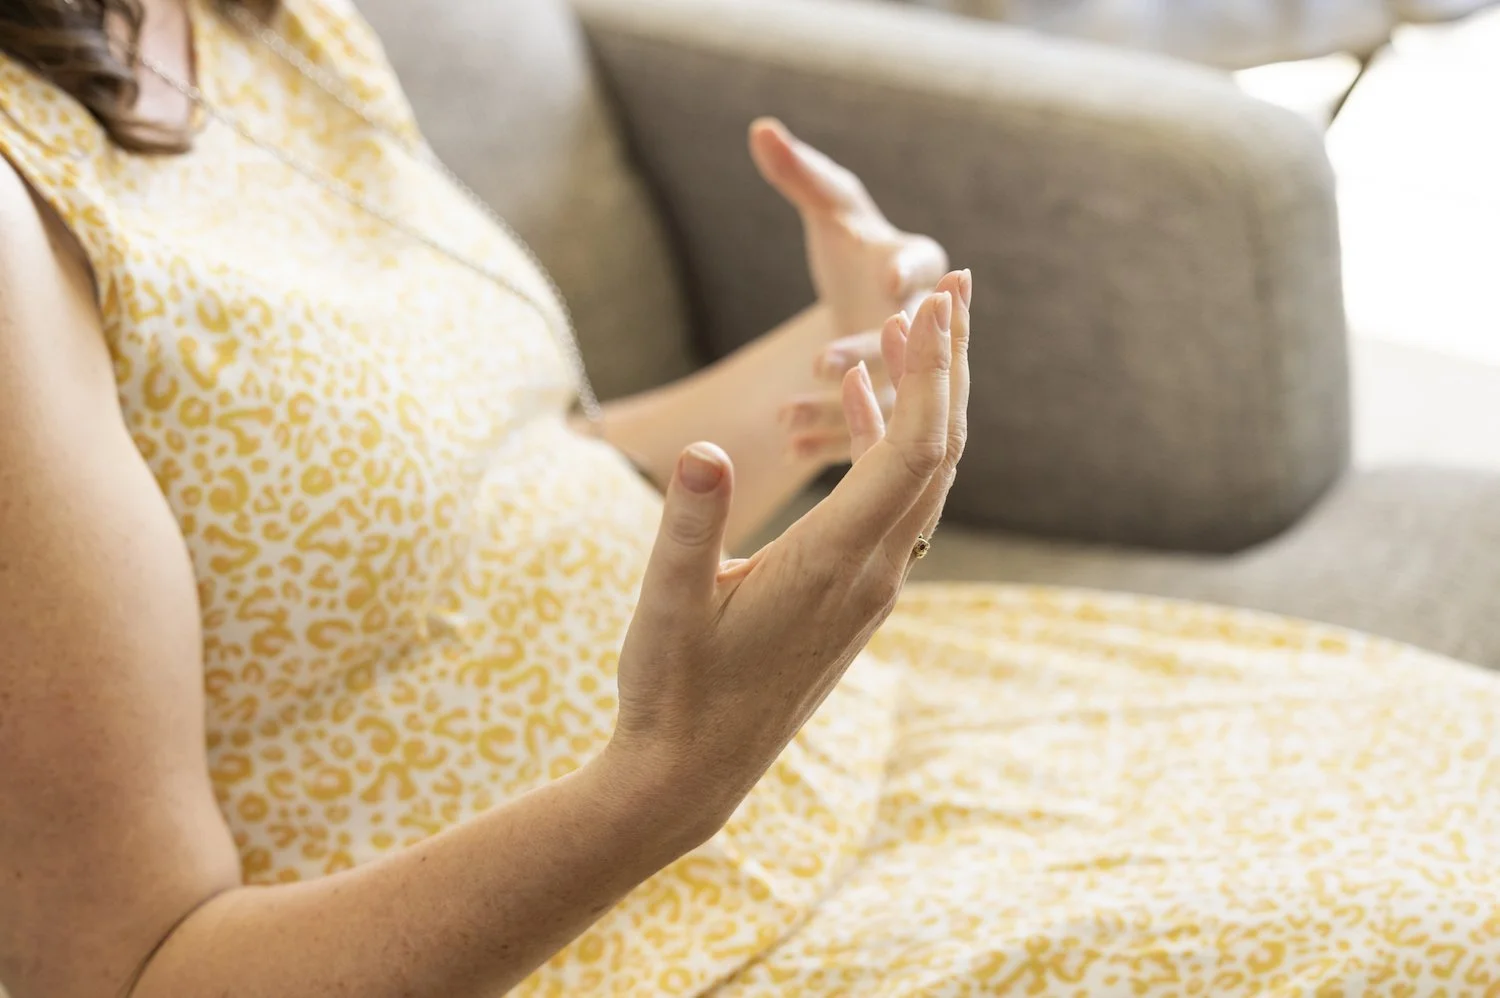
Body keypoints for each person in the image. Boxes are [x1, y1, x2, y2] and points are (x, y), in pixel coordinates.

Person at [0, 1, 1495, 996]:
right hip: (610, 932)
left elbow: (458, 489)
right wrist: (665, 779)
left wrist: (824, 360)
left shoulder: (249, 21)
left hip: (842, 761)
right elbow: (133, 969)